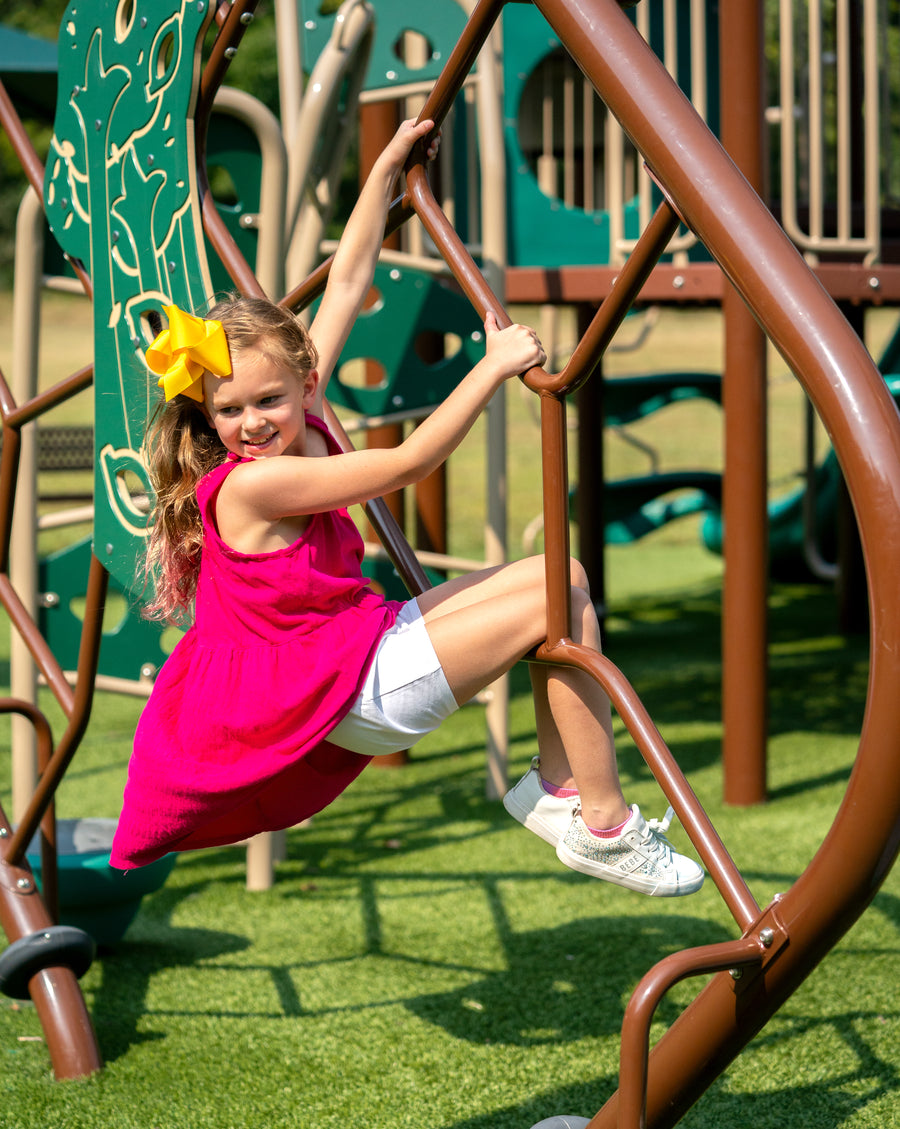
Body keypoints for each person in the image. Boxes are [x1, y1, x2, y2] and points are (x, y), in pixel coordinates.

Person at [109, 119, 703, 897]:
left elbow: (348, 280)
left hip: (354, 644)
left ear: (305, 380)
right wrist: (492, 369)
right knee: (552, 600)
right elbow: (410, 461)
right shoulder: (251, 482)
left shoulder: (303, 419)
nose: (251, 423)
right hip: (338, 688)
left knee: (568, 577)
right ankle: (605, 825)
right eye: (228, 410)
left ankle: (555, 787)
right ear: (207, 413)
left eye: (268, 400)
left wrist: (386, 170)